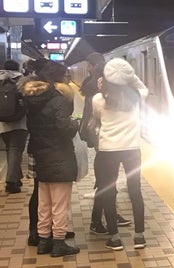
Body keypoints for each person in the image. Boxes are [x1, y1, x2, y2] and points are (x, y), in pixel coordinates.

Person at [20, 61, 80, 257]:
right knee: (60, 204)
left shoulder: (33, 98)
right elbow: (64, 128)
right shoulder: (58, 100)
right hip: (59, 156)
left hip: (40, 154)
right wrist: (75, 125)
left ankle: (44, 240)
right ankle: (59, 242)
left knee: (44, 203)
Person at [93, 58, 148, 250]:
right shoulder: (137, 96)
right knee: (135, 192)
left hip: (108, 151)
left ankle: (114, 238)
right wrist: (127, 75)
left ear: (105, 80)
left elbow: (97, 121)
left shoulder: (98, 99)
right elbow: (140, 84)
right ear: (127, 78)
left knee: (109, 192)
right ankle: (139, 237)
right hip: (132, 149)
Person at [78, 53, 131, 235]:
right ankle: (97, 221)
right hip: (103, 137)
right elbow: (100, 116)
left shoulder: (90, 84)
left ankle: (110, 214)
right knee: (106, 181)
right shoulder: (100, 92)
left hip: (99, 136)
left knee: (107, 180)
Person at [0, 60, 27, 193]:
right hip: (19, 123)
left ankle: (17, 178)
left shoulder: (1, 80)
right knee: (15, 151)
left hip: (2, 123)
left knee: (10, 151)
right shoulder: (21, 80)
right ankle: (11, 183)